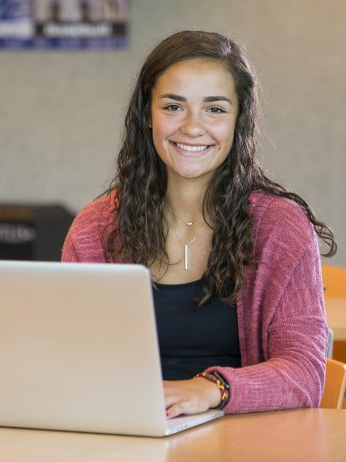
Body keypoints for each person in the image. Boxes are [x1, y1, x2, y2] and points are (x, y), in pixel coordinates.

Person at [61, 30, 337, 417]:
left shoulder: (279, 227)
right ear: (147, 116)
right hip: (125, 433)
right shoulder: (96, 227)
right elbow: (70, 358)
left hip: (243, 441)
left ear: (239, 121)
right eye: (173, 107)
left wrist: (211, 389)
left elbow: (304, 373)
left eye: (215, 109)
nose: (192, 127)